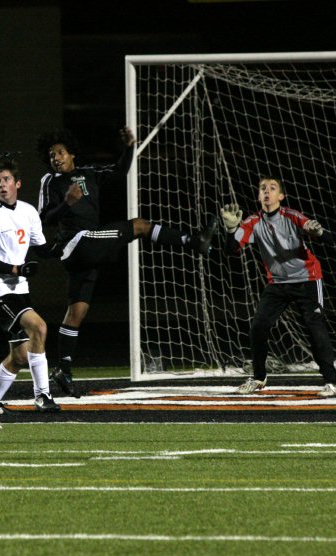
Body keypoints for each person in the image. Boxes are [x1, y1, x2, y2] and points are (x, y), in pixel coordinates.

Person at [37, 126, 218, 396]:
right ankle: (194, 242)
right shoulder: (50, 181)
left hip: (87, 252)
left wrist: (130, 147)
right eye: (52, 155)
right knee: (140, 226)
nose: (56, 158)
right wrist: (66, 203)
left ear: (72, 153)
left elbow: (120, 172)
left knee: (77, 312)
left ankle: (64, 367)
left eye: (60, 153)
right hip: (77, 242)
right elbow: (46, 217)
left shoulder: (90, 173)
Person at [221, 175, 336, 397]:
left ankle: (331, 382)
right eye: (263, 188)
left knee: (313, 326)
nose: (267, 191)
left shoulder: (292, 216)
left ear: (281, 196)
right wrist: (230, 231)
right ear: (258, 196)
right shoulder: (252, 222)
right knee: (259, 326)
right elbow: (232, 250)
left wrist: (319, 232)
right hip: (277, 283)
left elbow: (328, 239)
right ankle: (258, 378)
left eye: (272, 188)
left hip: (307, 279)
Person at [0, 159, 60, 414]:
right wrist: (17, 269)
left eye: (6, 180)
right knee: (40, 327)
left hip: (20, 290)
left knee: (21, 355)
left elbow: (42, 248)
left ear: (17, 183)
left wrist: (65, 248)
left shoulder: (28, 211)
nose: (1, 185)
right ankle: (42, 395)